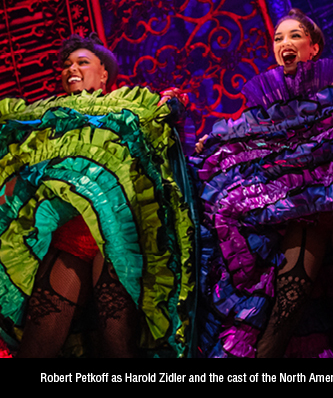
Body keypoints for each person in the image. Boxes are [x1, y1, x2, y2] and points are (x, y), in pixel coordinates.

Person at [0, 33, 195, 357]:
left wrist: (174, 104)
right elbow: (16, 144)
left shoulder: (129, 106)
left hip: (120, 237)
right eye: (66, 65)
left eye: (82, 62)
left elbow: (161, 135)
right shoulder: (48, 114)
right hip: (69, 237)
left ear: (104, 73)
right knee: (38, 345)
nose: (71, 69)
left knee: (117, 346)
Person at [193, 9, 333, 358]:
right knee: (287, 303)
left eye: (294, 36)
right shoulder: (267, 106)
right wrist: (210, 143)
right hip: (303, 215)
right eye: (278, 38)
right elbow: (242, 134)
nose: (284, 44)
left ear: (313, 47)